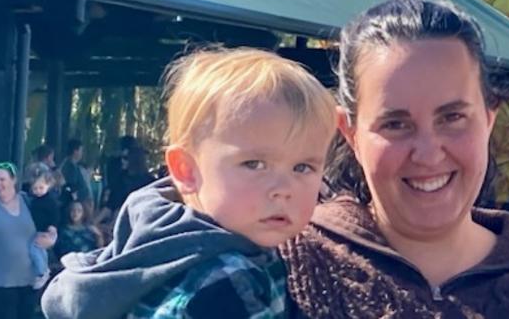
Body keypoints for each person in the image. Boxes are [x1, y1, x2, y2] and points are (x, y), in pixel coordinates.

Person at [281, 0, 509, 319]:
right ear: (350, 134)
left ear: (489, 121)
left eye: (452, 117)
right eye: (395, 124)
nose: (428, 154)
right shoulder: (282, 267)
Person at [41, 47, 337, 318]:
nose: (283, 189)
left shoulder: (155, 247)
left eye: (303, 167)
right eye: (254, 164)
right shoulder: (224, 285)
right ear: (185, 171)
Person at [0, 163, 55, 319]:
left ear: (13, 180)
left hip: (28, 283)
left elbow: (50, 222)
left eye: (2, 179)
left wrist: (52, 237)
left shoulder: (30, 201)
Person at [24, 163, 59, 289]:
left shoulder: (50, 201)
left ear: (48, 186)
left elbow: (55, 215)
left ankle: (42, 271)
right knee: (39, 251)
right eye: (35, 188)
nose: (38, 191)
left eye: (41, 187)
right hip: (38, 230)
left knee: (34, 248)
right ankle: (43, 269)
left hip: (46, 230)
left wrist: (52, 228)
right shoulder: (33, 199)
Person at [58, 139, 92, 215]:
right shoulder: (70, 166)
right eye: (81, 150)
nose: (81, 153)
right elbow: (71, 185)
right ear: (75, 151)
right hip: (78, 200)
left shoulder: (73, 165)